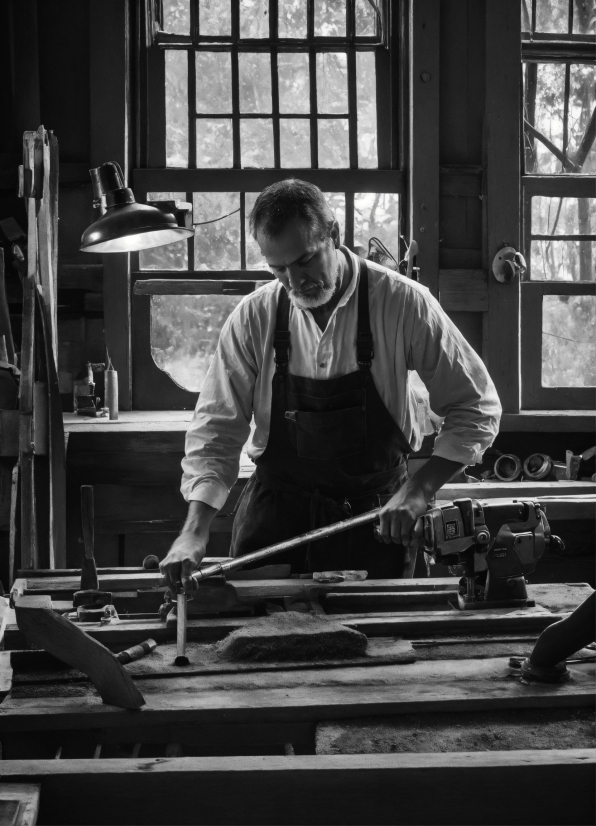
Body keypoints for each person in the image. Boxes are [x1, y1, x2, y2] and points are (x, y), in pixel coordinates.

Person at [160, 179, 501, 593]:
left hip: (377, 523)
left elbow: (476, 407)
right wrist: (194, 530)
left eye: (304, 260)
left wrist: (420, 488)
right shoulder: (254, 317)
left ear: (334, 236)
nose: (294, 280)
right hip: (277, 522)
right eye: (277, 268)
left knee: (378, 644)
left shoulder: (403, 304)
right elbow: (217, 430)